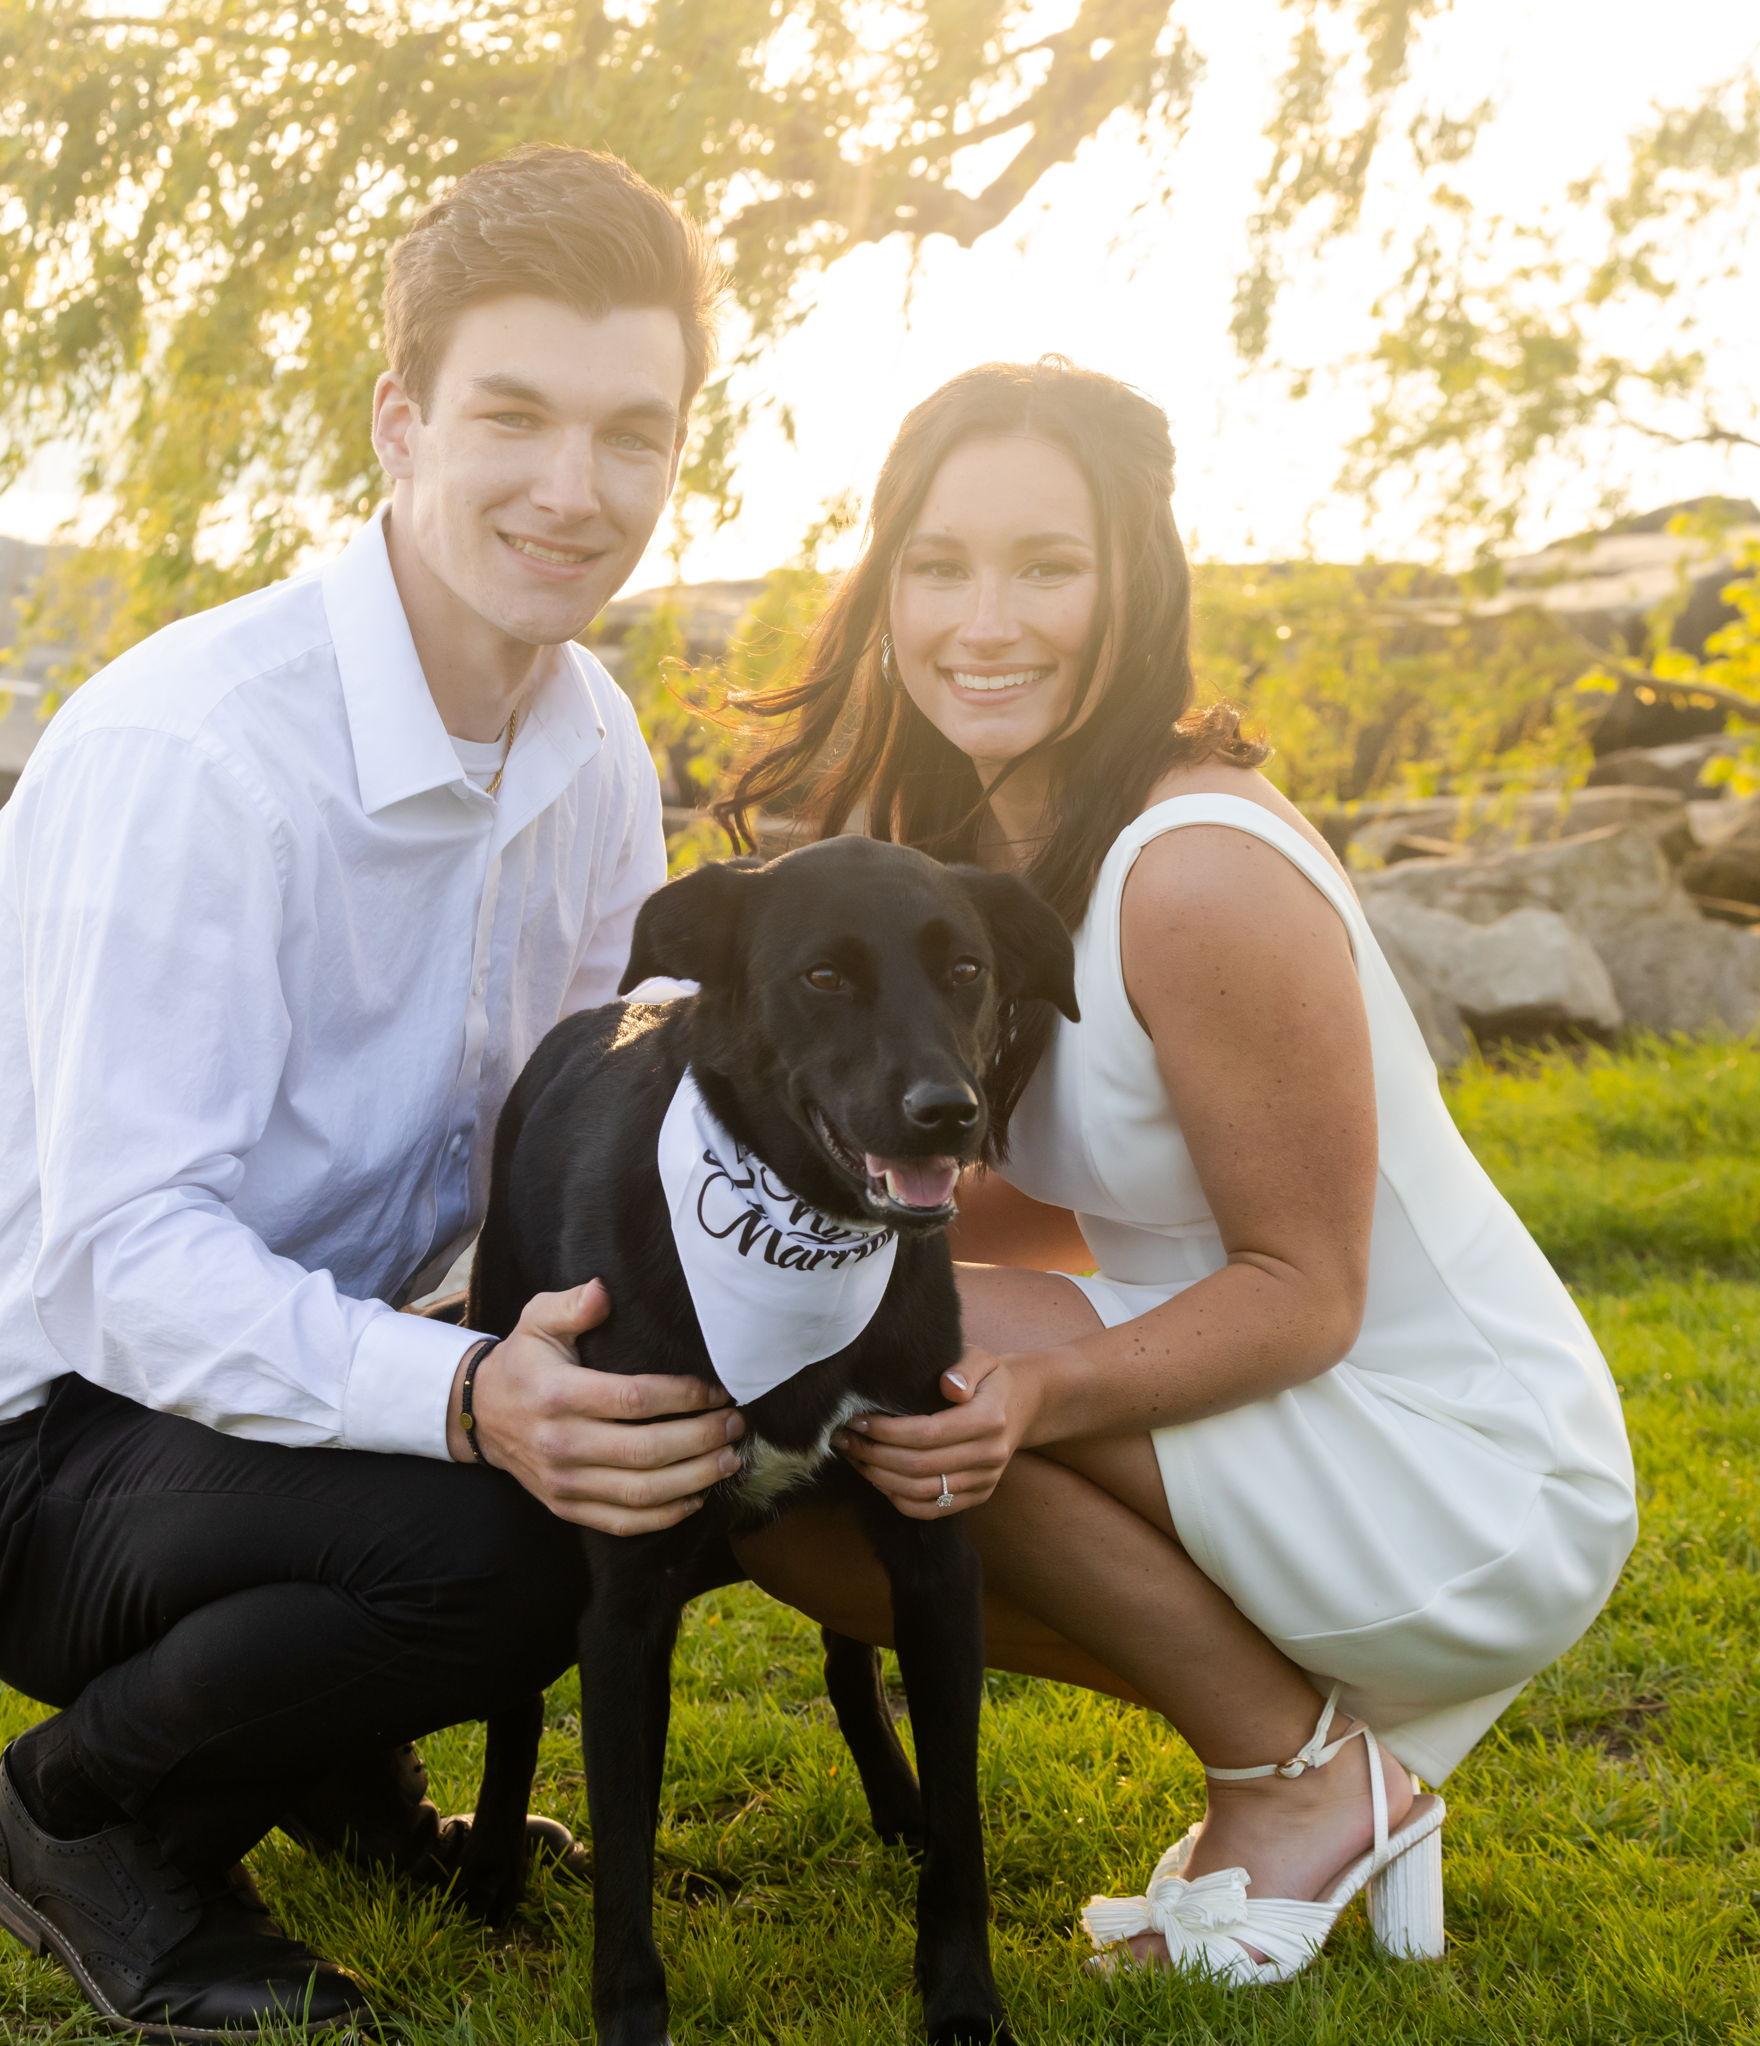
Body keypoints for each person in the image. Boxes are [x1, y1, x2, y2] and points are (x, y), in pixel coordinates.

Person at [0, 145, 744, 2040]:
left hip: (292, 1388)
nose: (575, 488)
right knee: (518, 1539)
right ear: (399, 420)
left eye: (632, 433)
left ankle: (333, 1759)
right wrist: (470, 1397)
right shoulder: (199, 753)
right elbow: (125, 1264)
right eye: (513, 416)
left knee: (644, 1472)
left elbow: (590, 1127)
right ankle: (87, 1821)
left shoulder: (594, 743)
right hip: (46, 1447)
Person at [721, 359, 1637, 1984]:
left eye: (1045, 567)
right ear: (885, 587)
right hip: (1297, 1416)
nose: (983, 620)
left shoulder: (1196, 865)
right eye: (938, 565)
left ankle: (1297, 1780)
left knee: (882, 1352)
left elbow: (1307, 1291)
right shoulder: (994, 844)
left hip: (1461, 1464)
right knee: (773, 1479)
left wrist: (1023, 1387)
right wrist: (712, 1249)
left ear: (1136, 581)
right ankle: (1306, 1744)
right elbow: (1048, 1198)